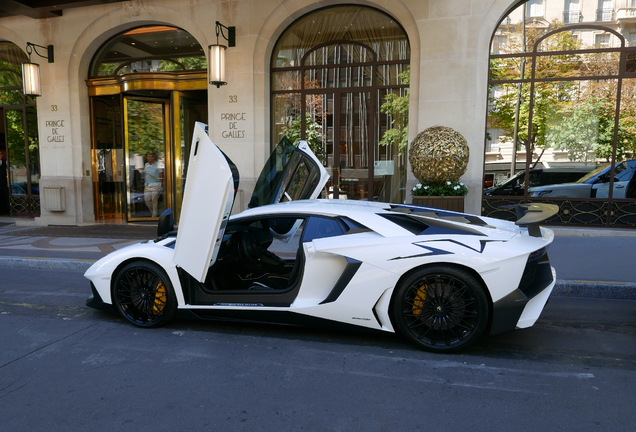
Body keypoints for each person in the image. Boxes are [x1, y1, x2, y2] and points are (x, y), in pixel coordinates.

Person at [143, 152, 163, 217]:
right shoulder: (146, 164)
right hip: (147, 185)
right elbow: (145, 174)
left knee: (154, 200)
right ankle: (153, 212)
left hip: (156, 185)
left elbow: (161, 175)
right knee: (147, 200)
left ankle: (154, 215)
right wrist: (145, 182)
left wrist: (160, 184)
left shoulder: (158, 164)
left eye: (149, 157)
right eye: (147, 157)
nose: (147, 158)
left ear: (153, 157)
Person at [0, 147, 9, 215]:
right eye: (0, 154)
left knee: (6, 196)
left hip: (4, 183)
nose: (2, 155)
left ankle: (8, 210)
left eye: (3, 153)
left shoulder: (5, 162)